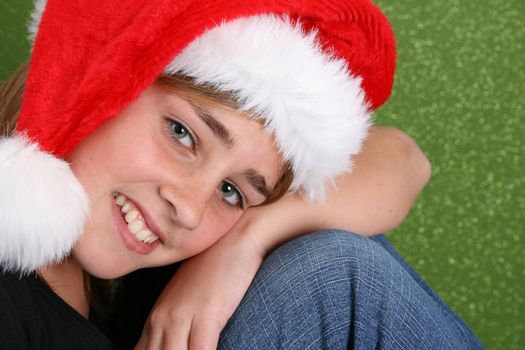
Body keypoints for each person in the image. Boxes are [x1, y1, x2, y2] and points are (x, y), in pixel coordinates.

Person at [0, 0, 482, 349]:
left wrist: (249, 237)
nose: (189, 209)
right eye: (182, 134)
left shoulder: (152, 259)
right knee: (335, 268)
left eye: (232, 191)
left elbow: (403, 158)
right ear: (99, 78)